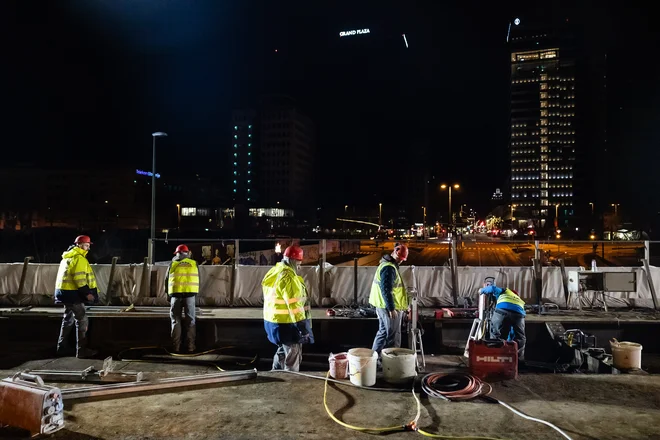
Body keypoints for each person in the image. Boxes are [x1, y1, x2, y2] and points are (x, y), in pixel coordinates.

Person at [262, 245, 313, 371]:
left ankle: (275, 375)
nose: (300, 266)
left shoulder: (274, 271)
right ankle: (291, 385)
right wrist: (302, 327)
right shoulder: (288, 277)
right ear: (294, 260)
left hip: (273, 322)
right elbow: (294, 305)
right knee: (293, 356)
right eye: (299, 262)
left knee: (282, 352)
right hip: (287, 324)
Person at [55, 235, 99, 358]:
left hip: (63, 293)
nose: (88, 248)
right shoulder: (79, 259)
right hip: (73, 294)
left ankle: (61, 347)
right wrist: (88, 294)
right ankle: (82, 350)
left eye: (89, 246)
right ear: (78, 245)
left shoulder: (67, 257)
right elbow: (79, 278)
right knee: (82, 320)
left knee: (68, 320)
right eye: (86, 245)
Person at [369, 243, 409, 357]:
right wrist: (391, 308)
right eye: (401, 259)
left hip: (382, 305)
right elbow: (386, 290)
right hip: (388, 308)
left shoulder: (386, 264)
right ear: (395, 253)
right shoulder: (389, 268)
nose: (401, 261)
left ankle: (374, 359)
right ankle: (391, 364)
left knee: (382, 333)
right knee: (393, 336)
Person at [479, 281, 526, 361]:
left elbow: (492, 288)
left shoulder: (505, 291)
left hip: (502, 310)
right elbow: (512, 331)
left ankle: (495, 357)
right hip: (518, 314)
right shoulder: (519, 300)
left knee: (496, 334)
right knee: (520, 337)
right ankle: (517, 360)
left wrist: (481, 290)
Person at [165, 244, 200, 353]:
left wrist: (167, 295)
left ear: (177, 254)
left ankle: (176, 348)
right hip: (190, 295)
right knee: (190, 321)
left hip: (175, 295)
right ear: (188, 253)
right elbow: (199, 279)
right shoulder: (194, 263)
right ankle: (190, 347)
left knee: (176, 320)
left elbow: (166, 280)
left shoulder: (172, 264)